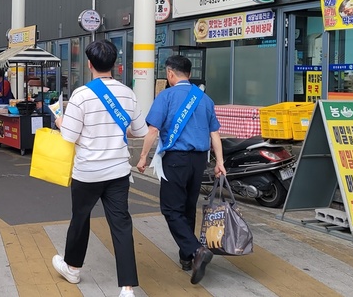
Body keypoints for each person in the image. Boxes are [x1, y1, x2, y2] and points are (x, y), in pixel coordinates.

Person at [52, 40, 149, 297]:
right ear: (115, 65)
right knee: (121, 224)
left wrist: (61, 120)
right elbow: (140, 131)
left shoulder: (81, 95)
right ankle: (127, 288)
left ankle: (72, 268)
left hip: (87, 172)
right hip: (118, 171)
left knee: (80, 219)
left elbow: (69, 137)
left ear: (89, 64)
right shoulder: (128, 93)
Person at [137, 55, 226, 285]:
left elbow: (153, 130)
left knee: (170, 209)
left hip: (176, 159)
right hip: (199, 161)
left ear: (170, 74)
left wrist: (143, 156)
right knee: (188, 207)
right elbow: (215, 133)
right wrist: (220, 162)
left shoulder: (166, 96)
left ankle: (196, 250)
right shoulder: (204, 99)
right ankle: (187, 258)